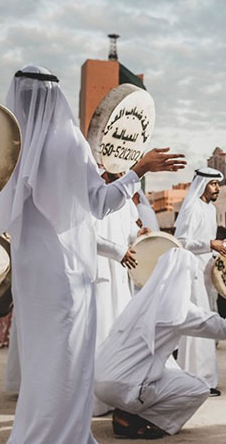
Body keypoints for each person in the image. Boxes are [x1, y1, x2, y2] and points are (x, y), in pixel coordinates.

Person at [0, 65, 185, 444]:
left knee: (41, 362)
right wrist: (139, 169)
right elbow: (100, 203)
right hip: (64, 275)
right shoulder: (67, 143)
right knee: (68, 363)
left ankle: (35, 433)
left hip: (30, 272)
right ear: (54, 97)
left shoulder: (14, 146)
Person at [94, 248, 226, 439]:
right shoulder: (180, 310)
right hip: (126, 389)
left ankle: (124, 413)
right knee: (198, 388)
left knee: (167, 367)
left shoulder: (139, 302)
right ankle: (145, 421)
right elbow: (224, 329)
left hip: (100, 384)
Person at [174, 167, 226, 396]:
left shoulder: (211, 209)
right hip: (193, 273)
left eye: (218, 184)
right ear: (202, 184)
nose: (217, 188)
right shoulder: (192, 208)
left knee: (206, 322)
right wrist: (210, 244)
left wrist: (220, 252)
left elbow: (210, 244)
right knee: (197, 324)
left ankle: (205, 377)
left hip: (207, 274)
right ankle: (196, 379)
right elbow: (181, 241)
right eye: (213, 184)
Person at [93, 170, 143, 416]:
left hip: (121, 276)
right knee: (99, 335)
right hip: (99, 275)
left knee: (119, 335)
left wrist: (140, 237)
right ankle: (95, 400)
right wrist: (118, 251)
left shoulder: (126, 198)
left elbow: (131, 233)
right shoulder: (91, 189)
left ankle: (116, 396)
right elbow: (86, 235)